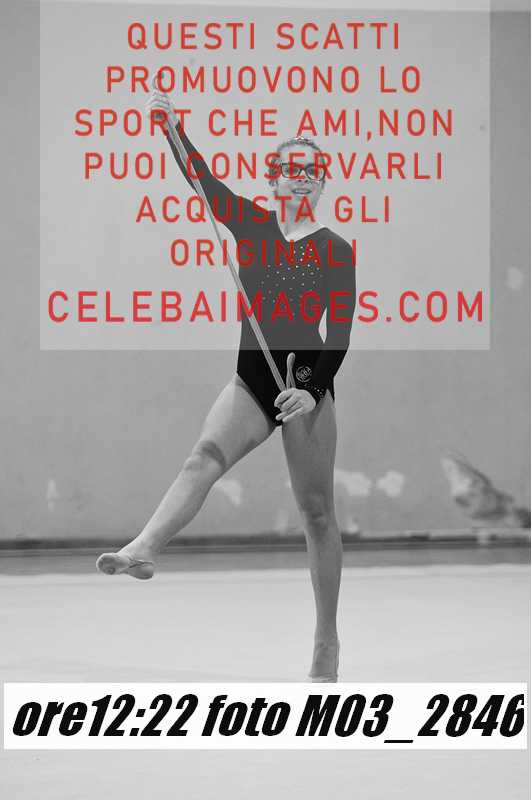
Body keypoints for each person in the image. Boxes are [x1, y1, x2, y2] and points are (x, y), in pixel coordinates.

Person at [96, 85, 356, 682]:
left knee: (317, 513)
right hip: (253, 377)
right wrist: (172, 128)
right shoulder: (251, 224)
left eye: (311, 171)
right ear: (272, 178)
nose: (301, 178)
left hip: (303, 384)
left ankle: (327, 640)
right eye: (290, 169)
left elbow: (339, 332)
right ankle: (145, 546)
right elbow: (203, 182)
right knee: (203, 456)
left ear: (322, 183)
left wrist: (312, 390)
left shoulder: (335, 250)